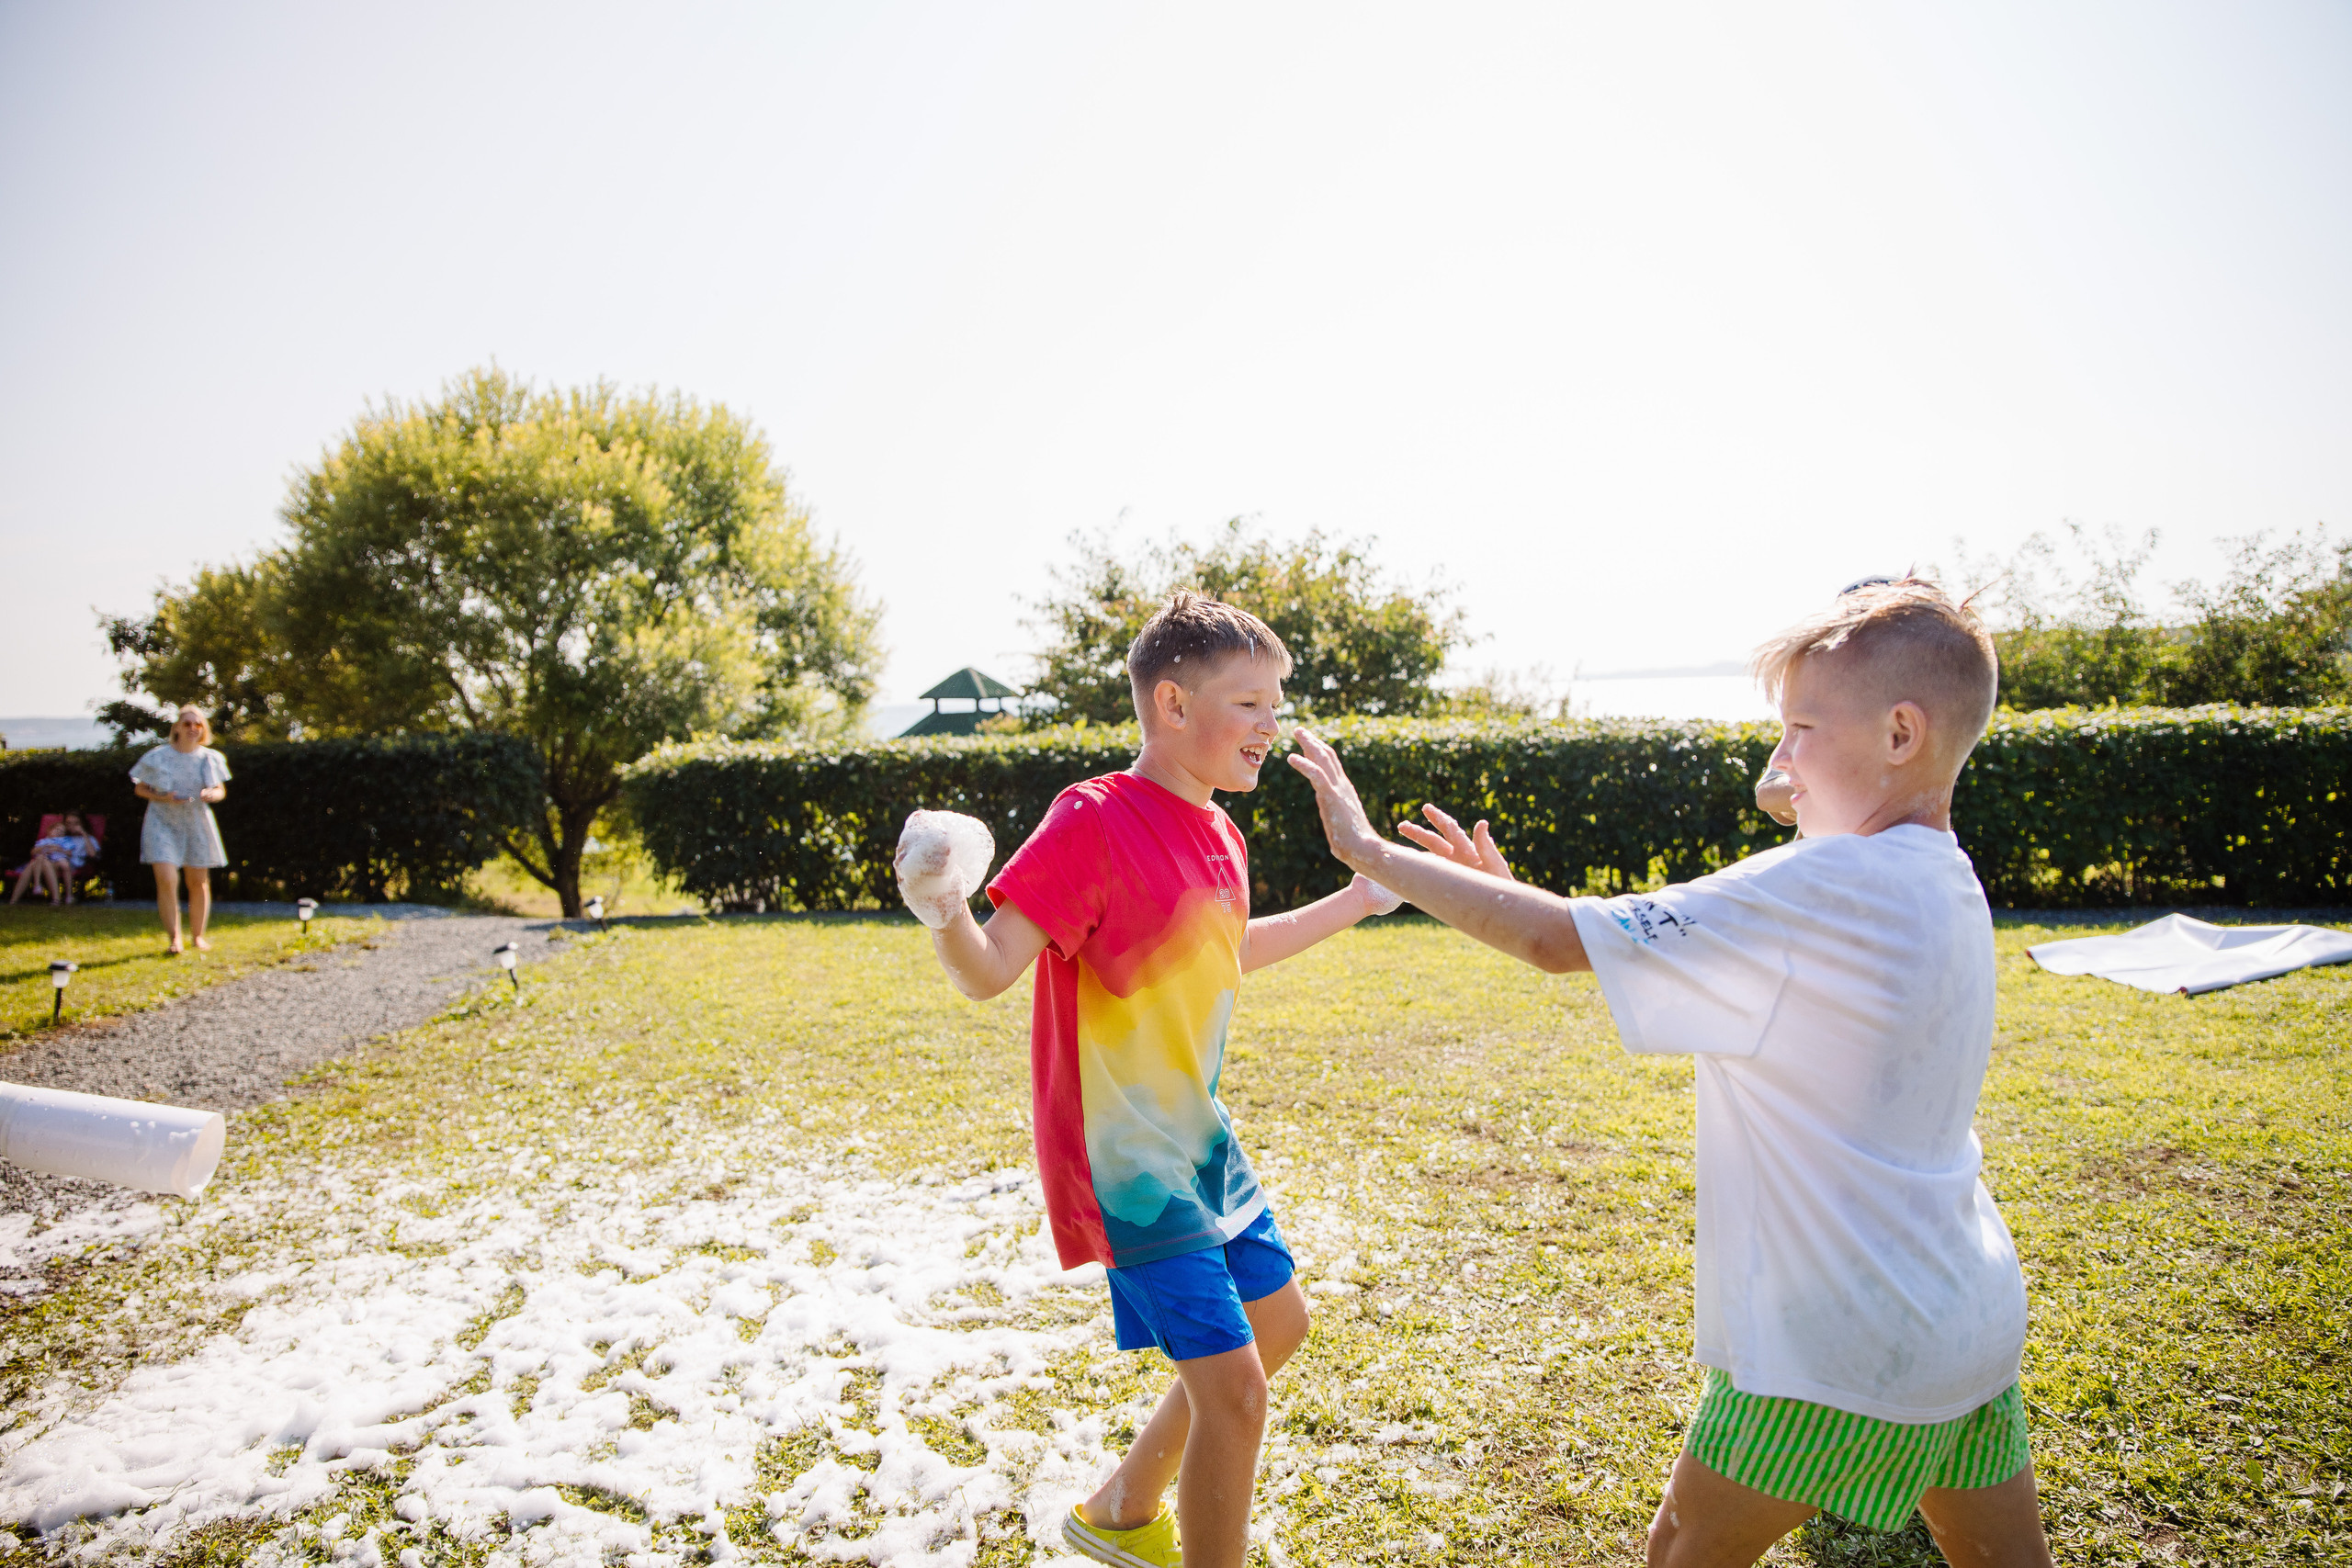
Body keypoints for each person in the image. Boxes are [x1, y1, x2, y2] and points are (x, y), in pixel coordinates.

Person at [1287, 579, 2055, 1568]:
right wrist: (1809, 767)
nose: (1776, 764)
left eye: (1798, 729)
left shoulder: (1827, 884)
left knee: (1681, 1551)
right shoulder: (1934, 872)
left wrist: (1367, 850)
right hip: (1967, 1312)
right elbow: (1698, 908)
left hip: (1840, 1348)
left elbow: (1560, 945)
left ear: (1901, 735)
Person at [899, 592, 1400, 1568]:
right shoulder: (1092, 817)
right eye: (1250, 703)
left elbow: (1218, 954)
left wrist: (1358, 899)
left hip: (1199, 1139)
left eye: (1276, 702)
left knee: (1279, 1323)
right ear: (1172, 706)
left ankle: (1123, 1506)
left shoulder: (1222, 833)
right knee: (1237, 1395)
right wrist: (942, 904)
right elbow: (987, 970)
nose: (1272, 725)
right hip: (1127, 1162)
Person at [130, 706, 232, 955]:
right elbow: (140, 789)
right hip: (162, 822)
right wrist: (163, 798)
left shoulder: (210, 757)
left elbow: (220, 790)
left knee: (197, 882)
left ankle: (198, 937)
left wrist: (212, 794)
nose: (192, 728)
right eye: (187, 724)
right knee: (166, 878)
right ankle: (175, 938)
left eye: (197, 724)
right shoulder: (158, 756)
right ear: (176, 727)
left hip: (196, 822)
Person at [9, 812, 100, 906]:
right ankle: (14, 901)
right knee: (33, 863)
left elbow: (92, 855)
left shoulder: (89, 838)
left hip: (71, 864)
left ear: (82, 824)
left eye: (76, 823)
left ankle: (56, 899)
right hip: (54, 861)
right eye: (69, 823)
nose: (72, 826)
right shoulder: (60, 836)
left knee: (39, 863)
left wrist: (83, 833)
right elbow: (40, 848)